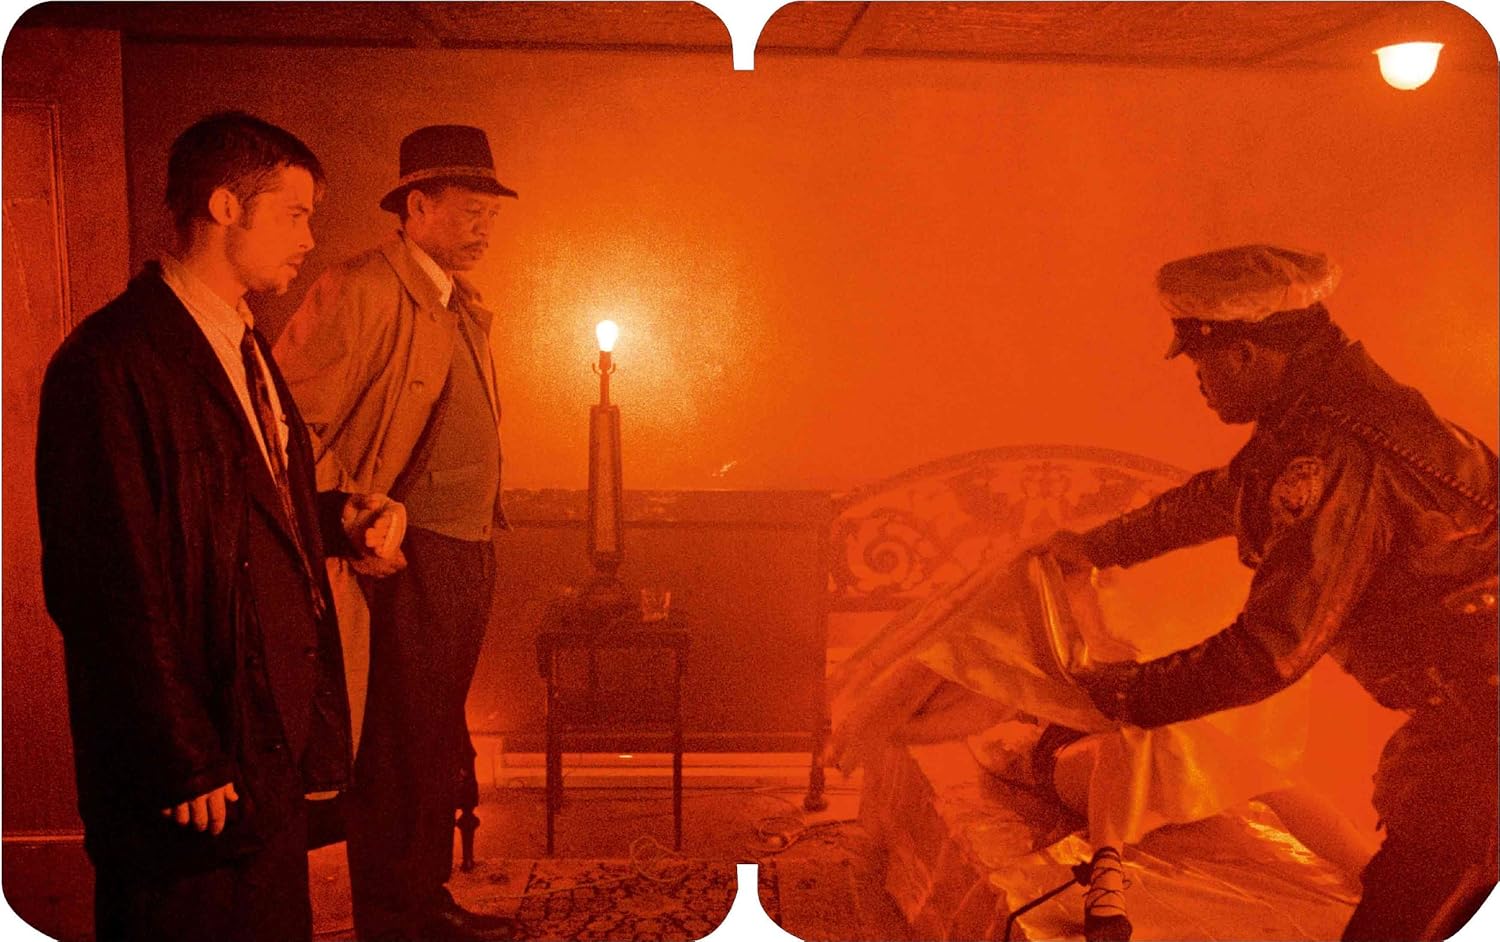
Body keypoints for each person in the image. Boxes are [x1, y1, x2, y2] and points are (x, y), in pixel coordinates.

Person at [1045, 243, 1498, 941]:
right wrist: (1098, 547)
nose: (1199, 381)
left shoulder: (1337, 449)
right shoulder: (1330, 414)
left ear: (1245, 352)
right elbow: (1227, 496)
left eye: (1200, 360)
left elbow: (1271, 651)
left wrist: (1121, 694)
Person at [35, 111, 405, 942]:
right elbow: (103, 584)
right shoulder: (112, 360)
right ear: (226, 206)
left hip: (260, 739)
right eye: (295, 213)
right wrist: (181, 755)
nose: (310, 238)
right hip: (192, 764)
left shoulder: (242, 343)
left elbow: (237, 508)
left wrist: (340, 520)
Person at [274, 124, 516, 942]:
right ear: (416, 206)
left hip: (461, 547)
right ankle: (397, 916)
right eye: (470, 209)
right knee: (400, 742)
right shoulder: (364, 289)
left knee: (433, 735)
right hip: (406, 554)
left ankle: (422, 899)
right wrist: (354, 513)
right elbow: (285, 425)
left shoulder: (453, 299)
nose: (485, 227)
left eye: (492, 213)